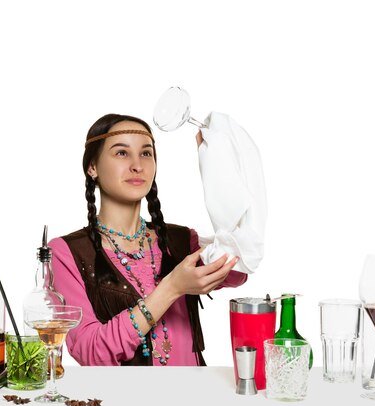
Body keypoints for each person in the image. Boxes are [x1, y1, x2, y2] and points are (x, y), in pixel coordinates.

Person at [49, 113, 248, 366]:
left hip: (195, 398)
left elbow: (239, 270)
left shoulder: (179, 240)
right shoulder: (67, 252)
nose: (137, 165)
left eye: (146, 153)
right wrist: (171, 287)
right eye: (121, 153)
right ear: (93, 167)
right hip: (125, 401)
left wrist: (220, 172)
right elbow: (91, 351)